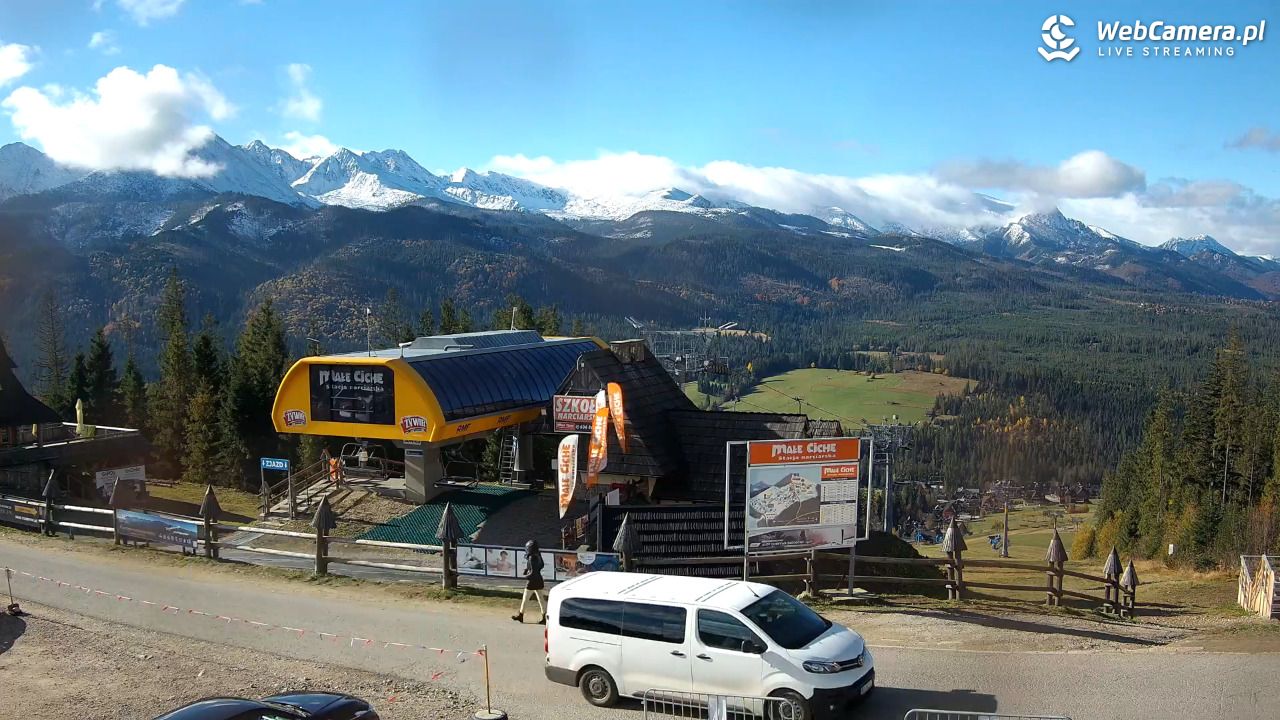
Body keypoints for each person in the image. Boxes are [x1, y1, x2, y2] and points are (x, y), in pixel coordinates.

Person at [512, 540, 546, 624]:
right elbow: (541, 565)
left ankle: (521, 615)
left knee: (525, 599)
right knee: (541, 599)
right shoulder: (538, 555)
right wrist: (528, 569)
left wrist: (526, 576)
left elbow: (533, 572)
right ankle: (545, 617)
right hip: (539, 579)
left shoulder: (531, 557)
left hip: (532, 581)